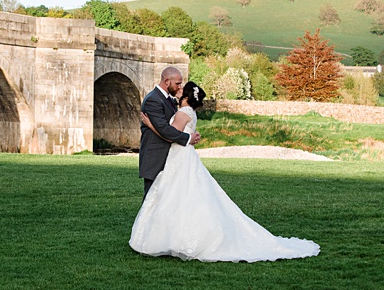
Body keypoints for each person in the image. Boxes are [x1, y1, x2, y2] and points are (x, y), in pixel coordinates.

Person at [130, 81, 320, 262]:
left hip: (179, 156)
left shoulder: (182, 113)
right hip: (185, 156)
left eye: (182, 88)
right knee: (189, 195)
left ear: (186, 96)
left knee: (178, 195)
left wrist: (150, 125)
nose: (178, 90)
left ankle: (175, 238)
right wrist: (188, 136)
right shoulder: (189, 112)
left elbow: (170, 135)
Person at [139, 67, 201, 200]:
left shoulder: (169, 100)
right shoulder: (153, 99)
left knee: (167, 199)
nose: (180, 87)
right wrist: (188, 138)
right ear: (167, 81)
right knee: (152, 199)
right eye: (177, 83)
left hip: (170, 156)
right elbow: (164, 129)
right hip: (156, 157)